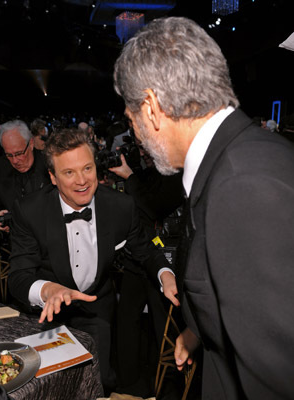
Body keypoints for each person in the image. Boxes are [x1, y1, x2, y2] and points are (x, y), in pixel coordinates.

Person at [113, 16, 294, 400]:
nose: (139, 138)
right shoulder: (241, 155)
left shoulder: (244, 186)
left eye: (133, 122)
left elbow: (278, 375)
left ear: (150, 107)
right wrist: (198, 328)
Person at [8, 128, 179, 393]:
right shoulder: (30, 210)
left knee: (97, 381)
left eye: (87, 168)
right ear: (53, 177)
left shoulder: (120, 207)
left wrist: (165, 273)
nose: (82, 181)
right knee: (48, 386)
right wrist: (47, 289)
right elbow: (18, 277)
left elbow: (146, 250)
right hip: (45, 313)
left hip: (95, 307)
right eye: (69, 172)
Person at [109, 140, 184, 396]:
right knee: (127, 320)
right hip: (137, 255)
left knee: (161, 326)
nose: (142, 153)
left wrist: (130, 177)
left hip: (165, 260)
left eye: (145, 148)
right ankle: (128, 382)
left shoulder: (177, 170)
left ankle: (164, 386)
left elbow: (153, 206)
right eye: (139, 148)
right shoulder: (147, 169)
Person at [0, 120, 50, 233]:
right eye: (9, 155)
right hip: (15, 242)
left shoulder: (49, 165)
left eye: (19, 153)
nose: (15, 161)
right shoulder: (0, 168)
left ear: (30, 144)